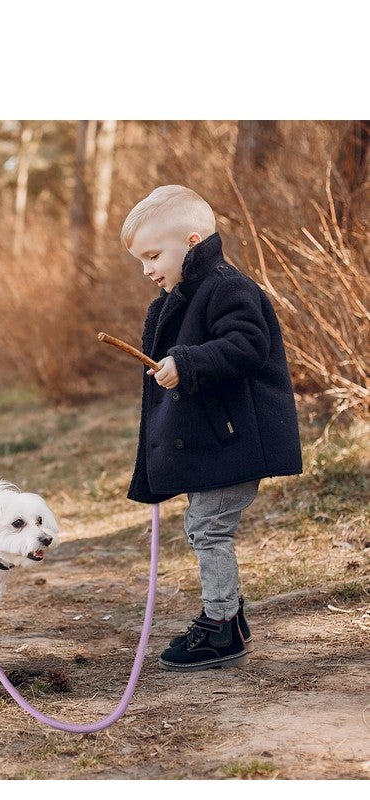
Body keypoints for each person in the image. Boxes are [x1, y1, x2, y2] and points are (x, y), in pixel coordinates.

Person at [121, 185, 302, 671]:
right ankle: (231, 619)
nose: (147, 270)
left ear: (193, 242)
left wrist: (186, 362)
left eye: (154, 256)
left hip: (234, 440)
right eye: (141, 261)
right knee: (204, 526)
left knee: (207, 528)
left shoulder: (227, 288)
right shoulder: (179, 297)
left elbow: (247, 344)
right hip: (216, 442)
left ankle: (221, 626)